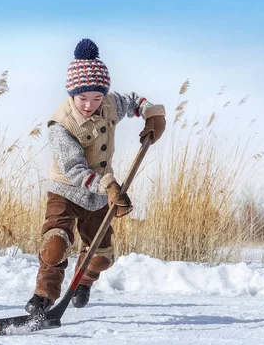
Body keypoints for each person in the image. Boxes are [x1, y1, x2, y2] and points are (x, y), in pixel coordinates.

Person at [25, 39, 166, 314]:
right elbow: (74, 169)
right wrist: (108, 185)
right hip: (66, 190)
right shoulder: (61, 124)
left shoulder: (110, 104)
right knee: (55, 245)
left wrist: (153, 114)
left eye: (96, 98)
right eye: (83, 98)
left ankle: (83, 282)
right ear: (72, 94)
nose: (89, 105)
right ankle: (43, 297)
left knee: (102, 257)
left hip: (100, 195)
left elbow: (135, 101)